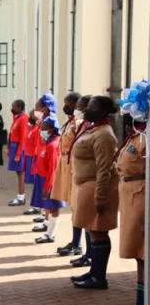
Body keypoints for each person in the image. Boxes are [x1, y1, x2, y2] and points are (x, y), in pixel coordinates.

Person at [70, 96, 119, 289]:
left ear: (103, 112)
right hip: (85, 186)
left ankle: (99, 278)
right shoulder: (93, 128)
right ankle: (93, 272)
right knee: (92, 230)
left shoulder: (104, 134)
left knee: (99, 232)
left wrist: (100, 197)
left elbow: (104, 169)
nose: (87, 109)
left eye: (92, 107)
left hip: (96, 187)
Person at [111, 114, 145, 305]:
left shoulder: (145, 138)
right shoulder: (137, 136)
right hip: (132, 197)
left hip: (142, 200)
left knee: (143, 256)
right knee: (138, 256)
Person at [53, 93, 88, 257]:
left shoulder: (79, 124)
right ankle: (75, 242)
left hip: (75, 166)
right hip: (67, 165)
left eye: (67, 103)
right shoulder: (70, 121)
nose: (65, 106)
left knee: (79, 207)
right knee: (74, 206)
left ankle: (79, 245)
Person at [30, 116, 65, 244]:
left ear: (51, 129)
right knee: (48, 207)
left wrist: (47, 186)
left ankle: (50, 234)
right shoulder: (47, 142)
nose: (41, 131)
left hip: (49, 180)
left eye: (43, 128)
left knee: (54, 207)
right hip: (42, 178)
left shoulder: (53, 145)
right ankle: (48, 231)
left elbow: (53, 169)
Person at [69, 96, 94, 268]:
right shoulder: (83, 126)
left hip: (89, 180)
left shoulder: (94, 129)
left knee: (88, 222)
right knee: (80, 216)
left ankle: (90, 256)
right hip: (78, 177)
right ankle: (85, 252)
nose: (76, 110)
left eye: (80, 107)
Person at [31, 92, 58, 233]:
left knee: (49, 199)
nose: (36, 110)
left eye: (38, 107)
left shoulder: (50, 121)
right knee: (44, 198)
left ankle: (48, 223)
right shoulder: (43, 121)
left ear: (45, 108)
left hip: (46, 159)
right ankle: (45, 218)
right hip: (41, 158)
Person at [7, 100, 29, 205]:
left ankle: (21, 196)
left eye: (14, 107)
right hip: (14, 146)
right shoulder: (17, 118)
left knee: (20, 172)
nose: (12, 109)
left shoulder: (24, 119)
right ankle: (20, 195)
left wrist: (19, 153)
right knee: (18, 172)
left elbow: (23, 137)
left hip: (19, 147)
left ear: (19, 108)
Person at [22, 109, 43, 215]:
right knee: (34, 184)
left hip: (34, 157)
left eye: (31, 115)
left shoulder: (37, 130)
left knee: (37, 183)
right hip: (29, 156)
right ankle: (36, 205)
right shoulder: (33, 128)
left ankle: (39, 206)